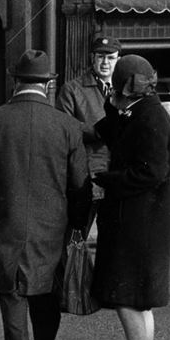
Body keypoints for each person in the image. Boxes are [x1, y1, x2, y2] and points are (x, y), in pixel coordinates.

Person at [0, 50, 89, 340]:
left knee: (12, 294)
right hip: (53, 224)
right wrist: (79, 228)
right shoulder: (69, 127)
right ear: (49, 84)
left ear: (15, 80)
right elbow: (80, 186)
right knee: (46, 291)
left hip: (6, 221)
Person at [91, 54, 170, 340]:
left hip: (139, 221)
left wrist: (109, 179)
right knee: (141, 299)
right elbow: (110, 132)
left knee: (125, 296)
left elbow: (152, 172)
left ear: (125, 87)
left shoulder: (148, 117)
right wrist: (113, 106)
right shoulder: (144, 111)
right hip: (145, 220)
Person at [56, 35, 121, 232]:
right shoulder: (72, 90)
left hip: (117, 173)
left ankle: (100, 264)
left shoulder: (124, 90)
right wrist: (98, 131)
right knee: (77, 233)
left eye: (111, 58)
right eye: (100, 57)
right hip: (86, 174)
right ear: (92, 58)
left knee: (112, 237)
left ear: (118, 59)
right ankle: (73, 264)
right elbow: (64, 127)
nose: (105, 63)